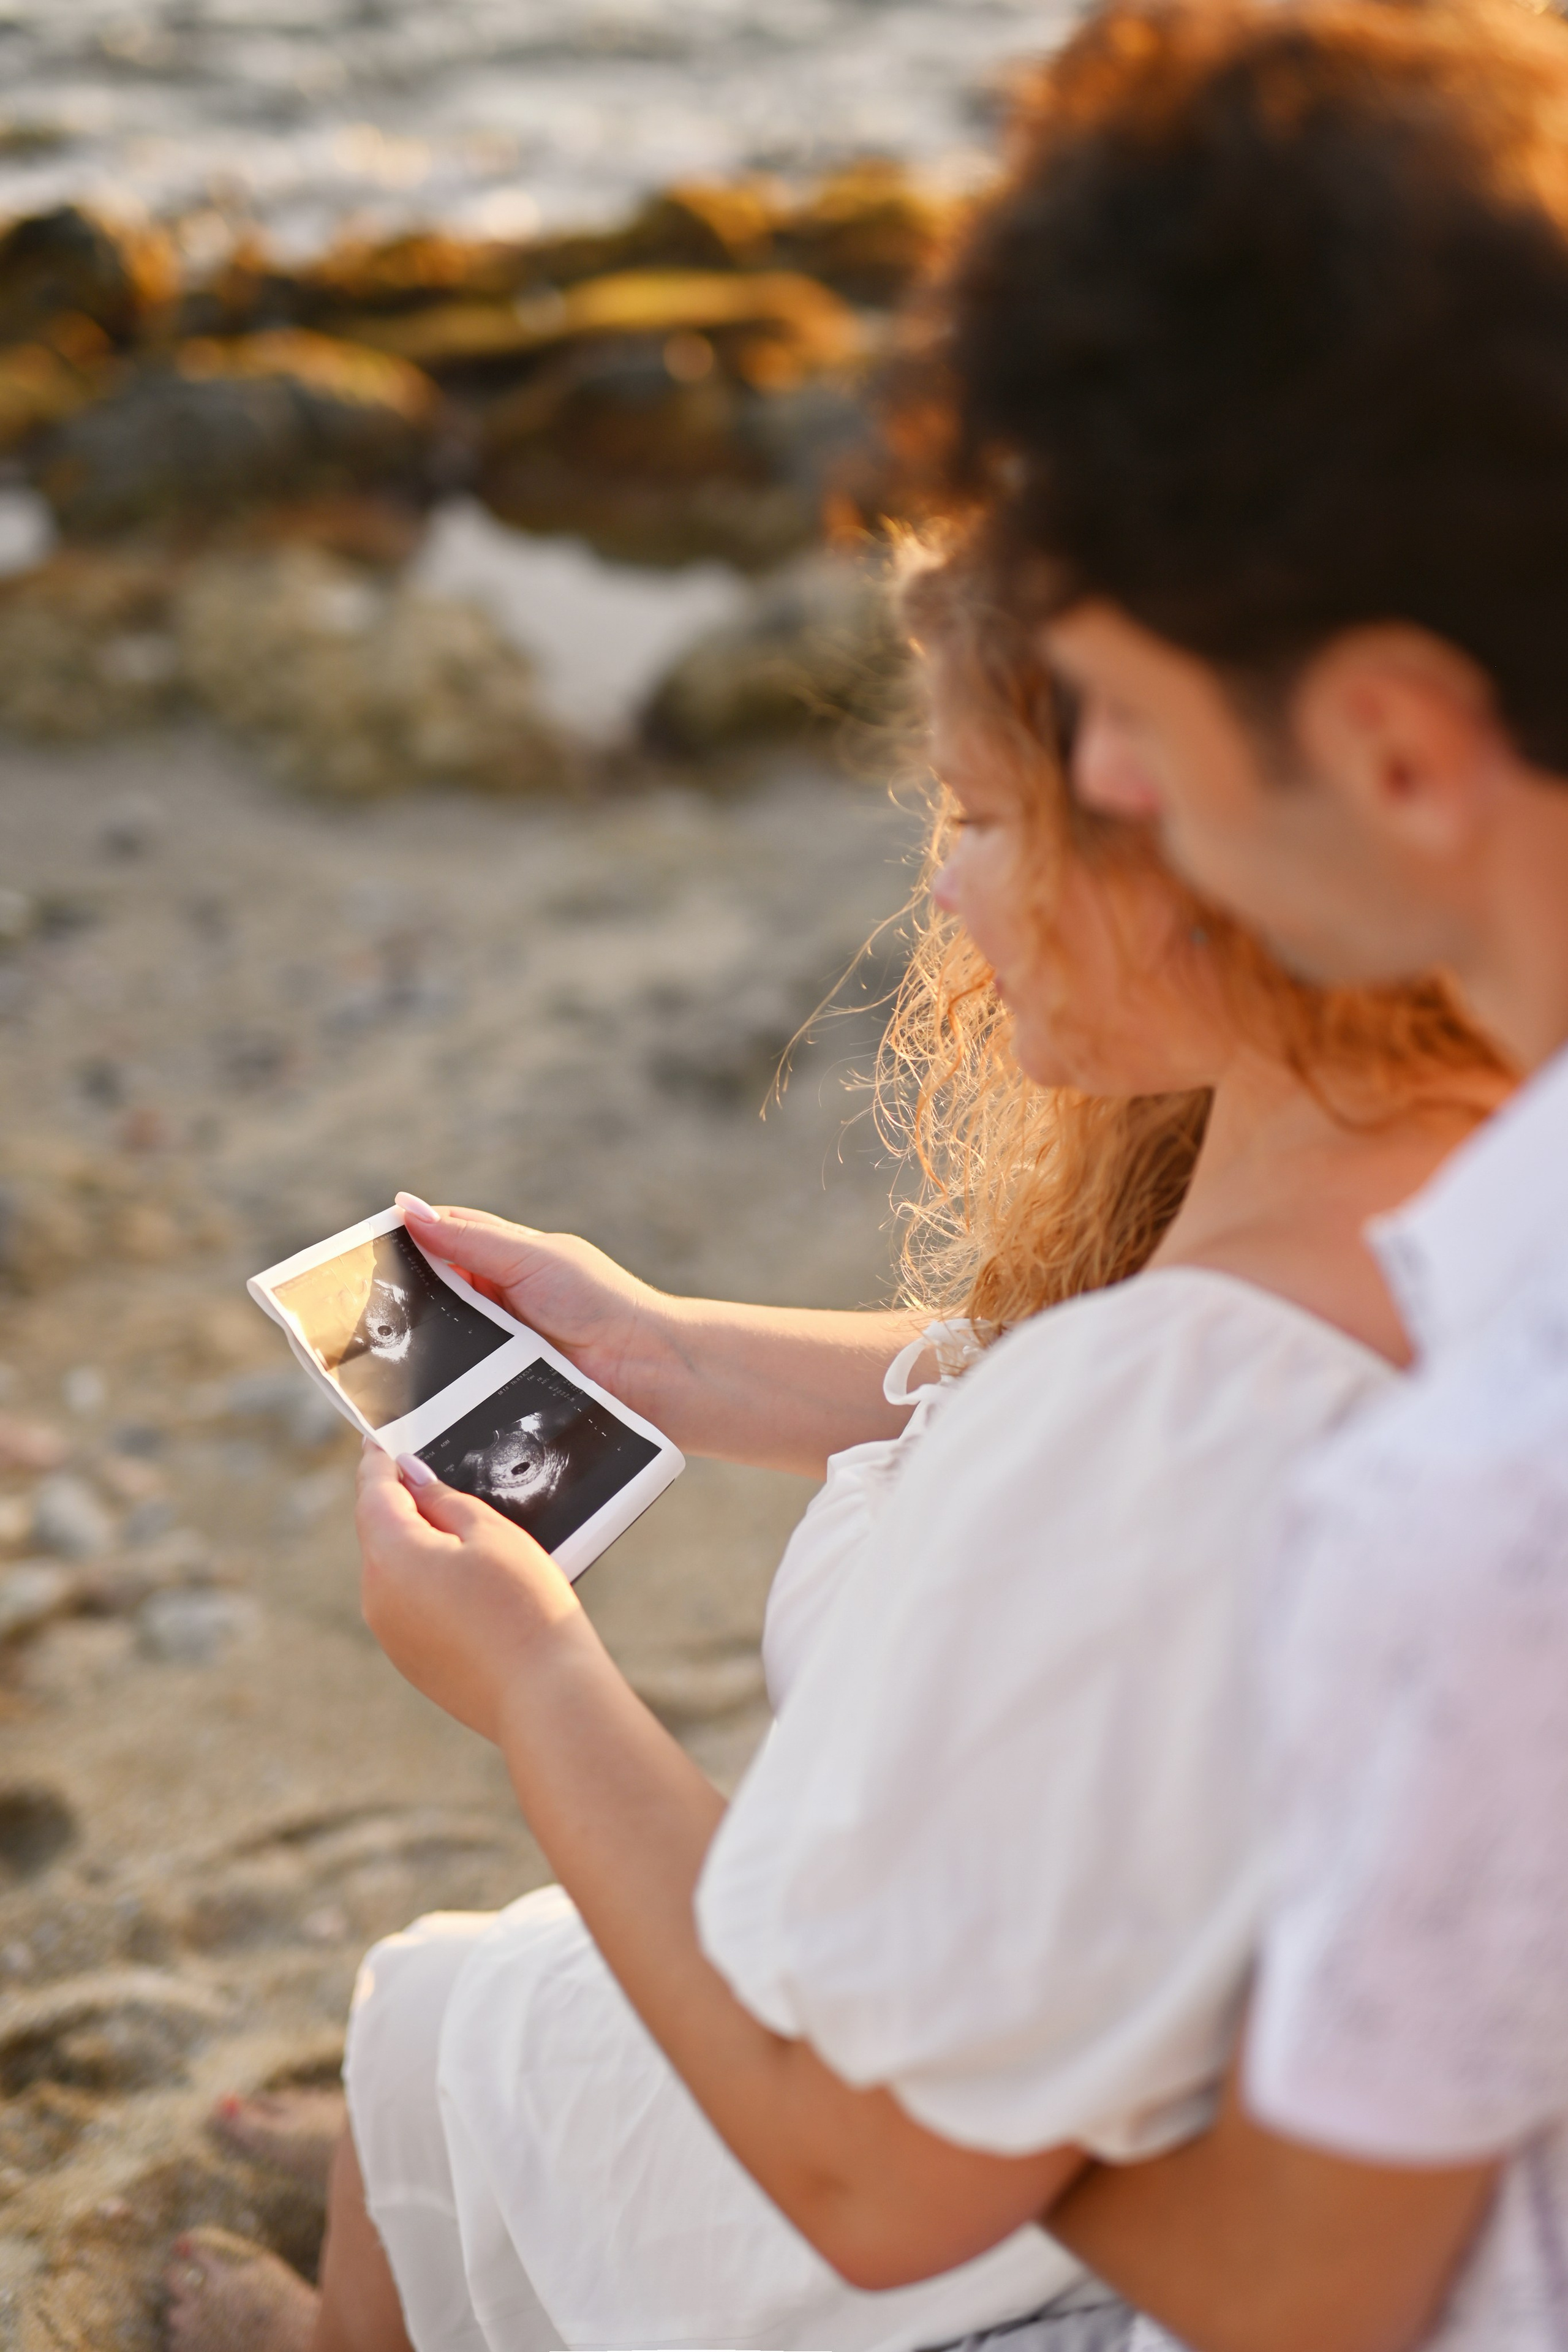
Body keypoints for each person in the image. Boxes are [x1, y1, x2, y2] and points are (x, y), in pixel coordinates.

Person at [163, 547, 1505, 2352]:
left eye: (981, 817)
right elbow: (1079, 1379)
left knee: (448, 2013)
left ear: (1192, 835)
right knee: (487, 2027)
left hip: (1061, 2236)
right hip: (1254, 2100)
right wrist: (677, 1355)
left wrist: (533, 1680)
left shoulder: (1149, 1429)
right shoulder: (1465, 1191)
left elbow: (881, 2179)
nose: (942, 889)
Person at [904, 1, 1568, 2345]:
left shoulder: (1495, 1496)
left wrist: (1009, 2098)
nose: (1120, 798)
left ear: (1389, 742)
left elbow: (1303, 2295)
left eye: (1125, 713)